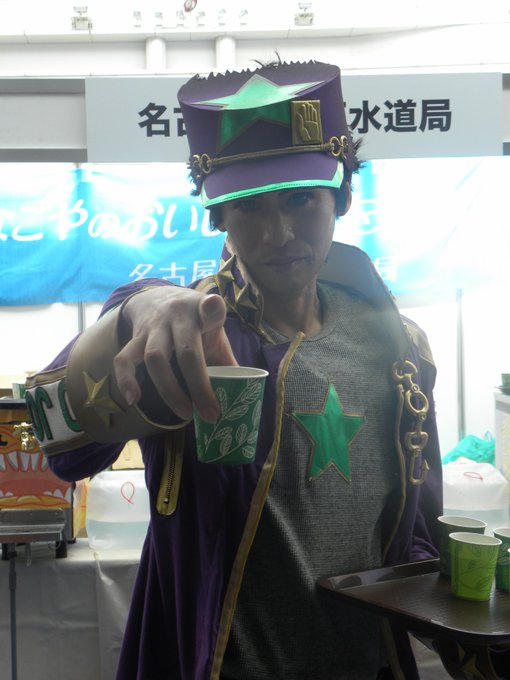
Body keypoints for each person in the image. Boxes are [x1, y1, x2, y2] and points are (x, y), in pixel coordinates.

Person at [26, 59, 443, 679]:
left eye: (301, 200)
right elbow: (58, 442)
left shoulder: (398, 347)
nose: (279, 233)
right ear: (218, 217)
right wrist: (134, 309)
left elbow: (417, 529)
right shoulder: (189, 334)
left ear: (341, 199)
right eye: (248, 207)